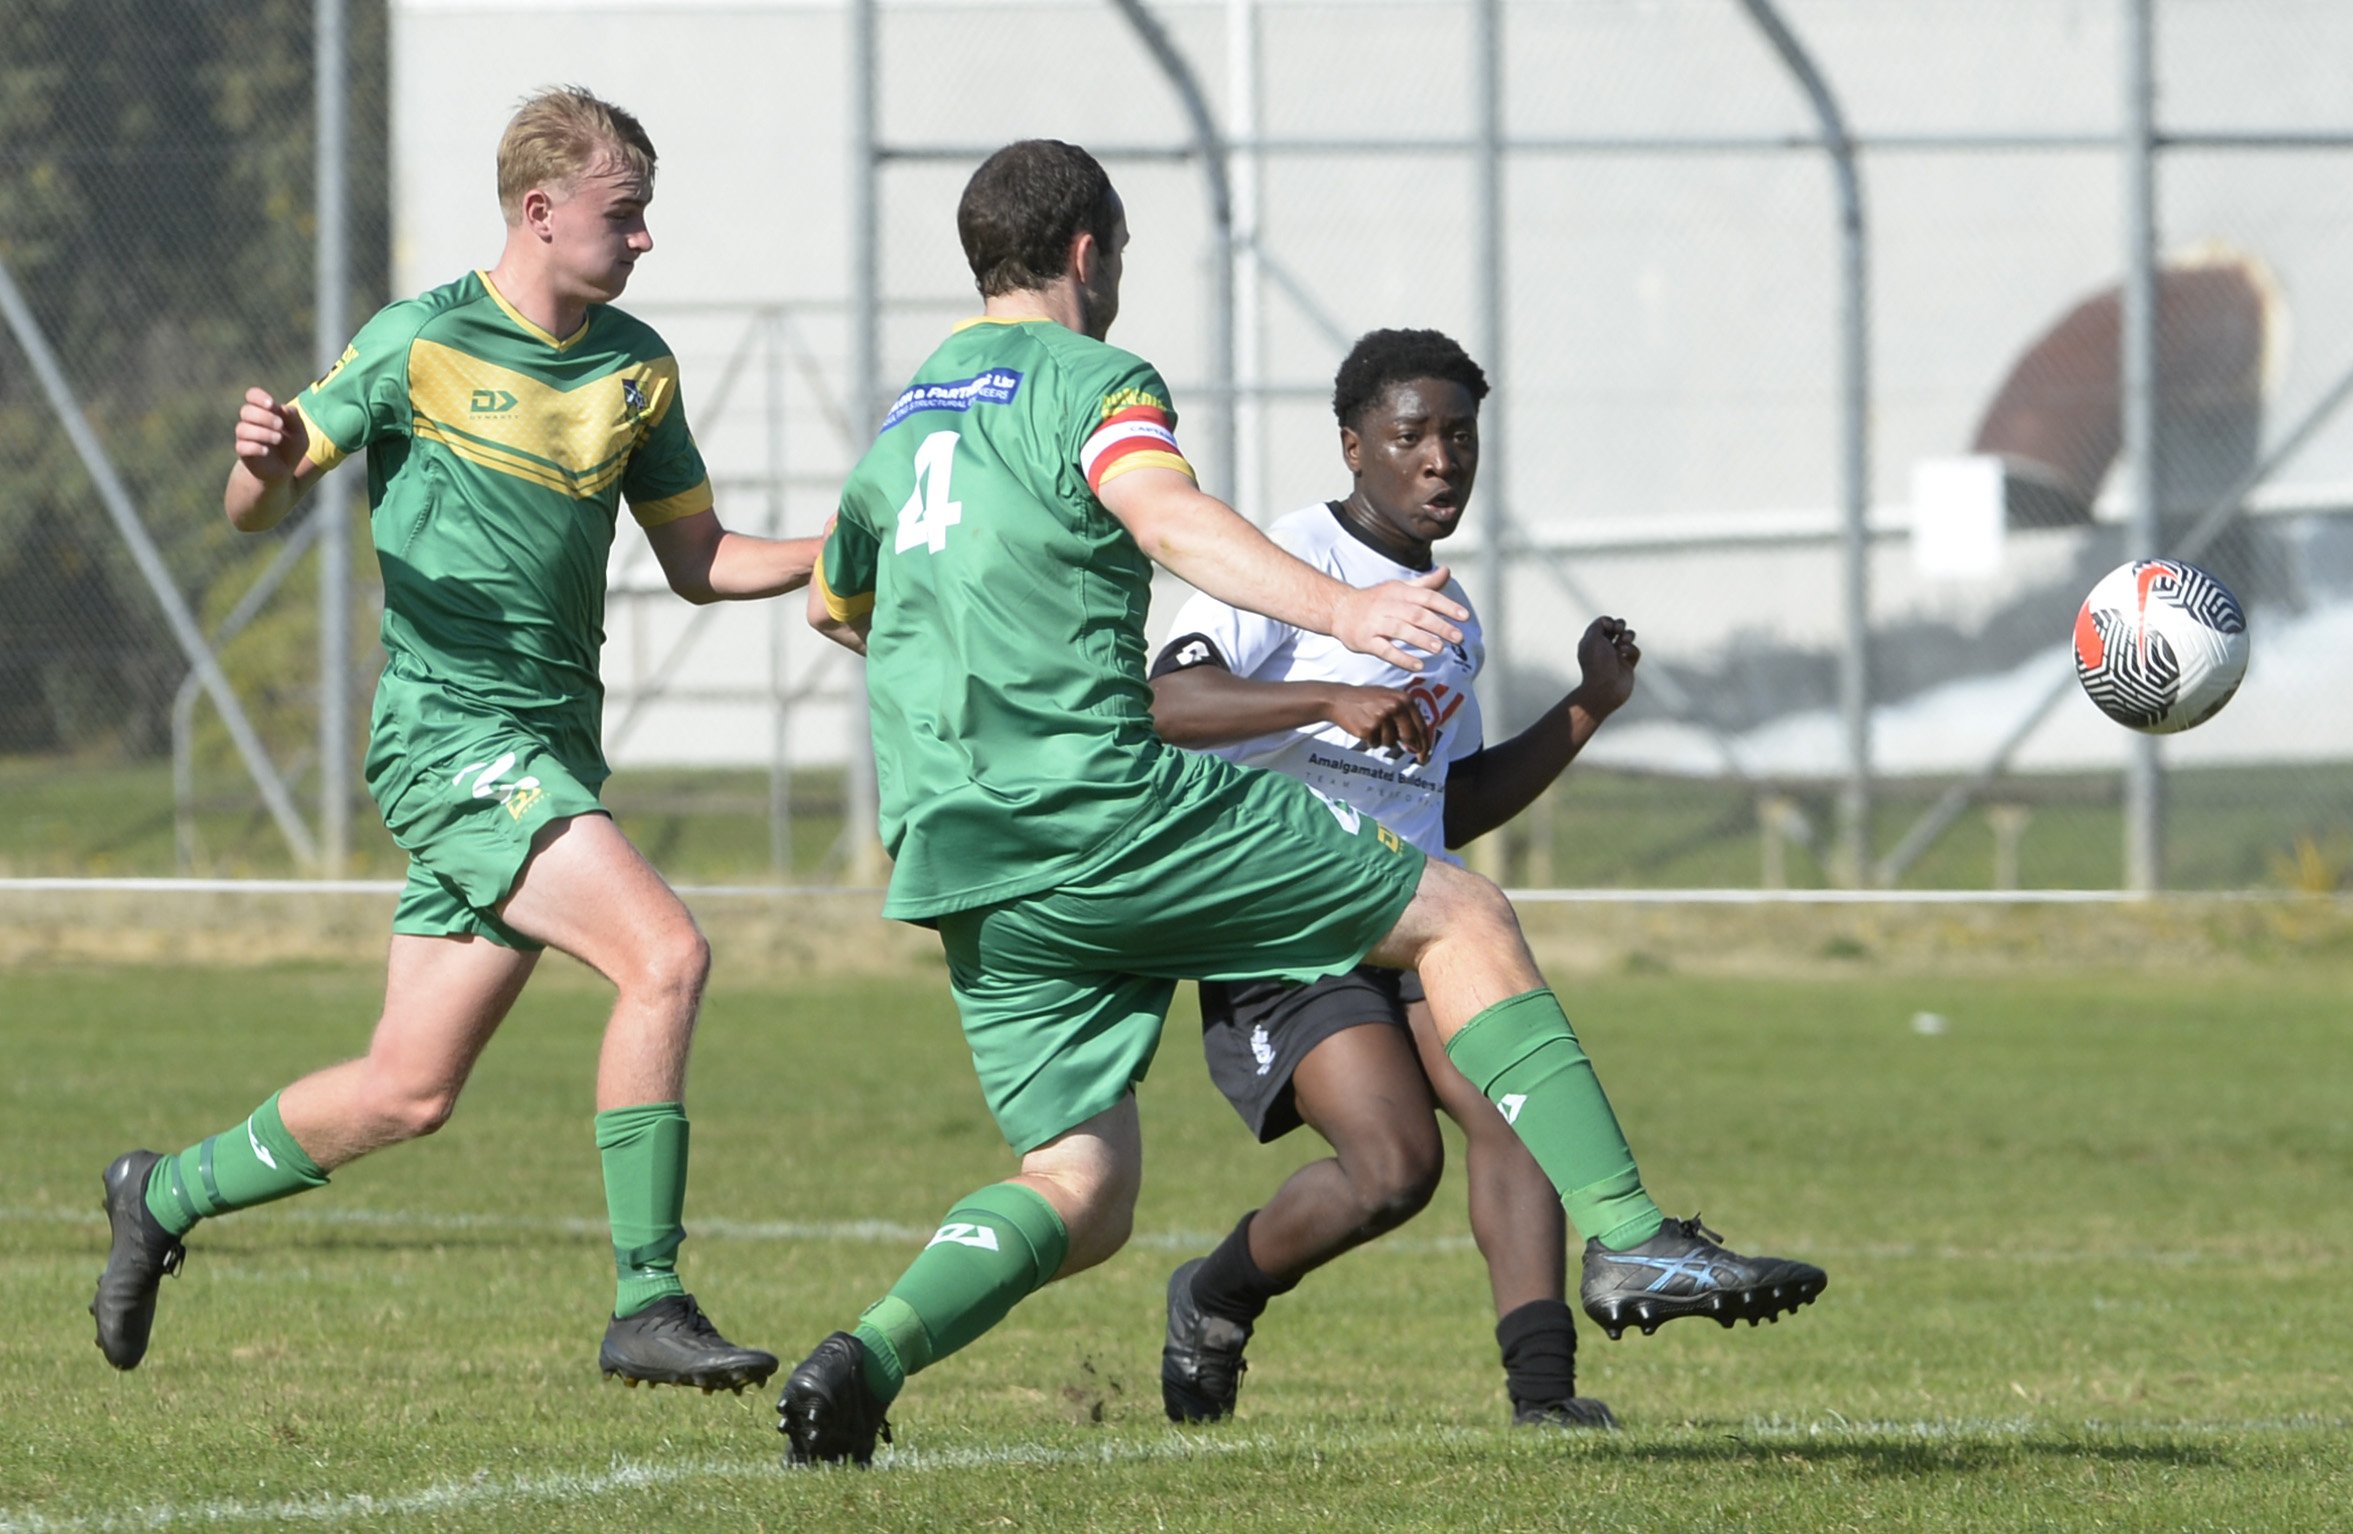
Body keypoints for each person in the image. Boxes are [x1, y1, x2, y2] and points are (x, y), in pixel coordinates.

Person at [781, 139, 1824, 1466]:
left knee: (1082, 1186)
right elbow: (1160, 516)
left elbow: (834, 602)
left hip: (965, 860)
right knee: (1463, 914)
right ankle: (1630, 1237)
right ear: (1089, 255)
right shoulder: (1098, 380)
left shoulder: (910, 412)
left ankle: (859, 1360)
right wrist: (1341, 616)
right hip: (1108, 810)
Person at [89, 87, 816, 1393]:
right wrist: (255, 458)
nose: (644, 240)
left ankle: (162, 1191)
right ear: (542, 212)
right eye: (623, 215)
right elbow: (257, 504)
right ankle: (647, 1298)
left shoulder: (635, 367)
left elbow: (702, 561)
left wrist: (855, 551)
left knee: (405, 1091)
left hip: (547, 750)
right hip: (450, 737)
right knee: (667, 954)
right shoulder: (418, 342)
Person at [1148, 328, 1638, 1430]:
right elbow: (1169, 706)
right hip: (1281, 913)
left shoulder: (1445, 609)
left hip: (1419, 910)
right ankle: (1215, 1294)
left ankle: (1544, 1398)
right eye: (1410, 435)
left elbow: (1448, 801)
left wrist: (1584, 709)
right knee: (1392, 1167)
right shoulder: (1281, 558)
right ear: (1353, 444)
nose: (1439, 460)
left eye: (1458, 436)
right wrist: (1321, 698)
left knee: (1518, 1107)